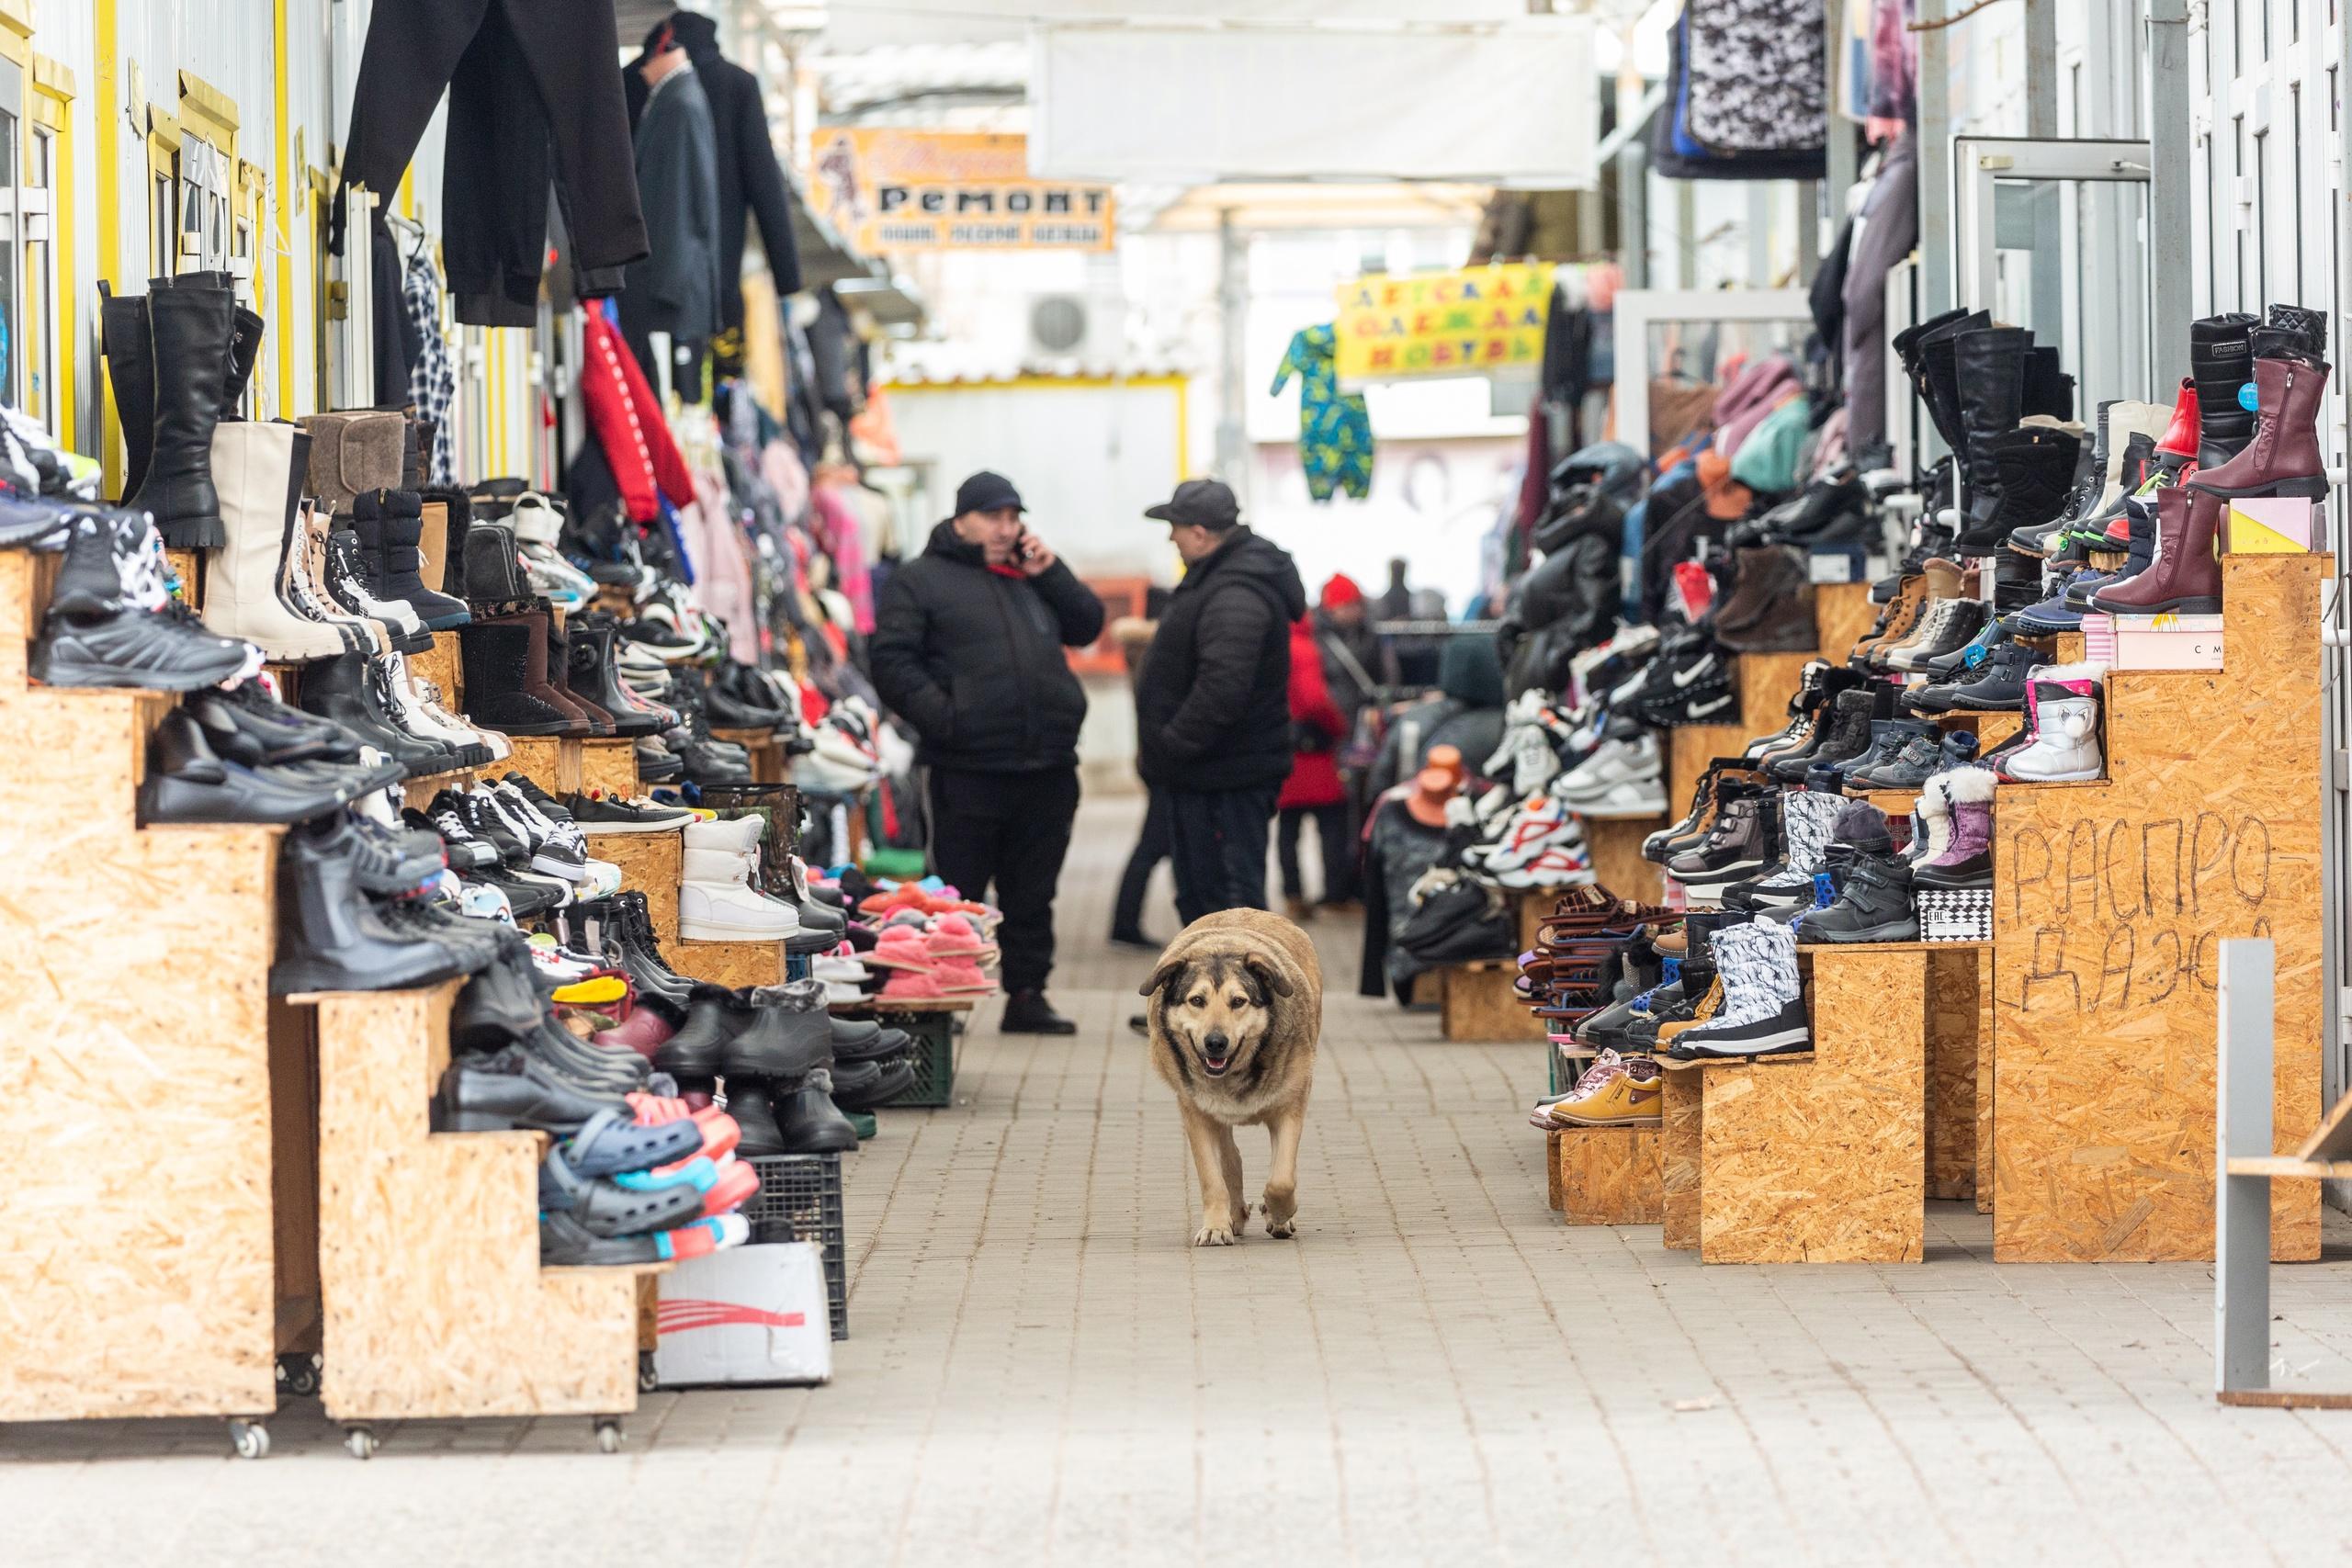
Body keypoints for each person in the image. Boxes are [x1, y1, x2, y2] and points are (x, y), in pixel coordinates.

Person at [868, 470, 1104, 1034]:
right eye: (994, 517)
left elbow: (1088, 625)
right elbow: (892, 663)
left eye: (1014, 517)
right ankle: (944, 1000)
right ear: (961, 520)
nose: (1007, 528)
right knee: (955, 891)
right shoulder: (919, 580)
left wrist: (1053, 573)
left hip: (1046, 765)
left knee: (1033, 893)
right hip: (965, 768)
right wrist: (947, 719)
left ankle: (1027, 996)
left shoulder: (1028, 576)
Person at [1132, 478, 1308, 926]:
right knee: (1207, 900)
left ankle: (1239, 997)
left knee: (1227, 908)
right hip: (1209, 776)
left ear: (1199, 533)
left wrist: (1170, 746)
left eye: (1175, 527)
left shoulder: (1236, 591)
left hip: (1222, 777)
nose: (1171, 538)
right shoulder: (1220, 579)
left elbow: (1223, 687)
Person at [1366, 632, 1509, 797]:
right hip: (1482, 816)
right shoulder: (1506, 725)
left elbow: (1381, 780)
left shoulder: (1414, 717)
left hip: (1411, 813)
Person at [1276, 614, 1351, 919]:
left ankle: (1293, 895)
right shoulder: (1304, 648)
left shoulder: (1273, 644)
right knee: (1332, 825)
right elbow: (1314, 700)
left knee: (1288, 829)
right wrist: (1338, 726)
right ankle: (1335, 894)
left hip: (1284, 752)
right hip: (1314, 755)